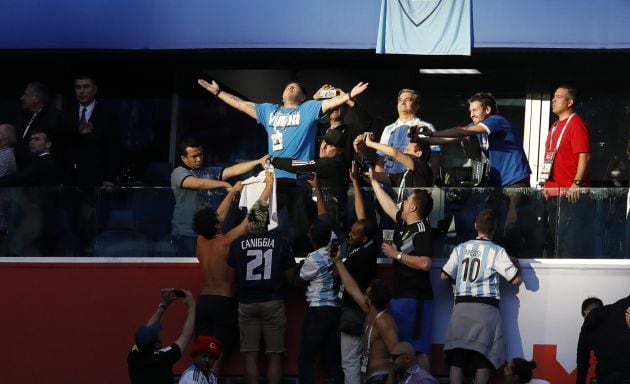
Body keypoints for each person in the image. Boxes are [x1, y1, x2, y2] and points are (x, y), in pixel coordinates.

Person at [193, 171, 274, 372]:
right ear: (216, 225)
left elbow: (216, 218)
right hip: (223, 303)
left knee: (202, 354)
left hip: (203, 302)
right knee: (217, 355)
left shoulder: (200, 242)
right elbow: (251, 217)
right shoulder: (226, 242)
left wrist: (232, 193)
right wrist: (268, 188)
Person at [440, 209, 522, 384]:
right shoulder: (497, 251)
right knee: (483, 361)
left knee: (456, 361)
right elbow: (515, 280)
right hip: (486, 310)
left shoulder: (460, 248)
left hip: (461, 308)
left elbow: (444, 275)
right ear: (494, 229)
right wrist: (517, 264)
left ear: (475, 226)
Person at [369, 169, 435, 372]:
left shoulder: (422, 230)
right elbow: (389, 207)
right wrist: (373, 182)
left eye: (407, 200)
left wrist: (396, 255)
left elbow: (425, 263)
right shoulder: (404, 223)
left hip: (416, 297)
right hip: (400, 295)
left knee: (417, 350)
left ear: (413, 207)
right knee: (401, 348)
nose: (403, 201)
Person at [227, 199, 296, 384]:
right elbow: (290, 277)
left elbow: (231, 277)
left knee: (250, 354)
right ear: (267, 221)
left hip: (247, 302)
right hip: (273, 301)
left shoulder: (237, 244)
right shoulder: (281, 243)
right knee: (275, 355)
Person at [171, 137, 269, 257]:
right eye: (194, 156)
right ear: (183, 158)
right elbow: (197, 183)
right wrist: (225, 184)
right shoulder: (178, 173)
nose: (199, 159)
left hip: (210, 232)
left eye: (200, 154)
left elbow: (233, 170)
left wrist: (258, 161)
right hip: (186, 234)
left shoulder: (208, 171)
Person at [424, 92, 531, 189]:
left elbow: (463, 131)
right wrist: (422, 140)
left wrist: (432, 133)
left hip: (515, 180)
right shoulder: (476, 128)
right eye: (470, 111)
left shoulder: (497, 121)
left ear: (487, 110)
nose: (471, 115)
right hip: (497, 182)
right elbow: (451, 137)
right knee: (485, 211)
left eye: (475, 110)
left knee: (512, 211)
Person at [542, 85, 592, 258]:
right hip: (553, 192)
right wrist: (546, 184)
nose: (553, 100)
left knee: (567, 242)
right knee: (552, 240)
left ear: (570, 102)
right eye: (553, 96)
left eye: (558, 97)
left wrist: (576, 183)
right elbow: (550, 157)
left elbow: (584, 156)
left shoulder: (576, 124)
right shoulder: (555, 125)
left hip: (570, 194)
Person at [332, 255, 398, 384]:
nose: (363, 295)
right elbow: (352, 288)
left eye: (366, 294)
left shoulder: (384, 322)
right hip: (369, 378)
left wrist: (390, 381)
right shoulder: (371, 314)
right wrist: (338, 261)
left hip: (381, 378)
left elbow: (396, 354)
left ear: (370, 299)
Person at [271, 128, 349, 231]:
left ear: (341, 151)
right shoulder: (332, 163)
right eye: (323, 142)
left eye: (330, 145)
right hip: (326, 219)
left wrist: (273, 160)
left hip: (331, 224)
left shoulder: (332, 164)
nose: (323, 146)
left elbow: (301, 166)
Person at [297, 219, 344, 384]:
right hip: (335, 310)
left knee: (307, 359)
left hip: (318, 311)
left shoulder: (313, 259)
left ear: (311, 238)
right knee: (332, 360)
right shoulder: (337, 250)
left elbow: (300, 278)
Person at [127, 288, 196, 384]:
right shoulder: (162, 359)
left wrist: (164, 304)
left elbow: (148, 331)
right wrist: (192, 305)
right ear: (156, 345)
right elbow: (186, 336)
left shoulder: (134, 355)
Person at [63, 74, 119, 187]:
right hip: (69, 178)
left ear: (94, 89)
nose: (81, 91)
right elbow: (61, 139)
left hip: (96, 178)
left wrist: (110, 178)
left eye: (86, 87)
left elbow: (113, 149)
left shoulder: (107, 115)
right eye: (78, 87)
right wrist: (77, 131)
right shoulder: (67, 112)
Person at [376, 88, 440, 185]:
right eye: (400, 100)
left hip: (413, 183)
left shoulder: (425, 127)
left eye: (407, 100)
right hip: (388, 182)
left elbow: (435, 157)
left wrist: (430, 185)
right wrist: (378, 185)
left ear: (417, 105)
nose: (402, 102)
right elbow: (381, 158)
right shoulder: (388, 129)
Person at [576, 294, 630, 384]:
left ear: (585, 313)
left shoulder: (588, 325)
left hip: (606, 378)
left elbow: (582, 361)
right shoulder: (619, 307)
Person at [361, 131, 432, 195]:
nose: (404, 152)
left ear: (418, 153)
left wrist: (370, 143)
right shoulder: (406, 174)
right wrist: (361, 154)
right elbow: (385, 177)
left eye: (408, 150)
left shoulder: (423, 167)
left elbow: (395, 153)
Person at [16, 82, 63, 169]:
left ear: (36, 99)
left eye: (25, 95)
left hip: (39, 173)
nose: (22, 98)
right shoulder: (26, 116)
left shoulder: (51, 118)